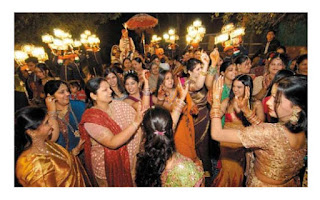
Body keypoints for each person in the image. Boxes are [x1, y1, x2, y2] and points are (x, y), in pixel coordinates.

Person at [210, 75, 307, 187]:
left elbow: (217, 134)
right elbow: (264, 131)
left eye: (276, 99)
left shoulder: (270, 132)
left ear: (297, 106)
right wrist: (246, 111)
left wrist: (216, 102)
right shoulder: (302, 130)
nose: (268, 102)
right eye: (271, 96)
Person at [135, 82, 204, 187]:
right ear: (170, 129)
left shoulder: (143, 151)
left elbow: (171, 123)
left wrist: (181, 99)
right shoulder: (185, 168)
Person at [79, 77, 144, 187]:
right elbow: (112, 143)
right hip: (105, 168)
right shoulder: (91, 119)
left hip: (127, 161)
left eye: (109, 88)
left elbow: (135, 109)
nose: (110, 91)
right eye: (105, 90)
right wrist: (135, 123)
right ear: (93, 95)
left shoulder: (118, 105)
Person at [15, 106, 91, 187]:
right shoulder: (37, 167)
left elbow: (60, 162)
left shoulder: (45, 143)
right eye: (46, 122)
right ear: (31, 132)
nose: (51, 124)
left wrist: (75, 151)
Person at [211, 74, 264, 187]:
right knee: (227, 169)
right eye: (234, 86)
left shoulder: (256, 104)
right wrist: (214, 103)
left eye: (239, 87)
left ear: (247, 87)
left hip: (244, 142)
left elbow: (261, 127)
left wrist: (247, 111)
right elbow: (217, 114)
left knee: (240, 171)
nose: (235, 89)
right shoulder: (227, 101)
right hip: (226, 142)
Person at [153, 70, 199, 163]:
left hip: (186, 124)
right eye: (167, 79)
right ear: (161, 81)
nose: (170, 81)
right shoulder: (160, 96)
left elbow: (192, 106)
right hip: (175, 126)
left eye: (171, 78)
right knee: (182, 151)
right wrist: (181, 97)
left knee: (191, 147)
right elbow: (169, 107)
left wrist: (192, 105)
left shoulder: (179, 90)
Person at [184, 53, 212, 185]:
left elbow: (207, 83)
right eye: (198, 69)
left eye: (201, 68)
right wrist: (206, 65)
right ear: (189, 71)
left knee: (204, 144)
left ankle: (206, 170)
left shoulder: (203, 79)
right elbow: (199, 86)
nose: (201, 71)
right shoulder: (187, 83)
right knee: (194, 143)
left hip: (204, 115)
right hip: (192, 117)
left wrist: (212, 65)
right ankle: (194, 170)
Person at [44, 80, 85, 155]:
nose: (68, 94)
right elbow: (51, 141)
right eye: (62, 92)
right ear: (50, 96)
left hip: (84, 152)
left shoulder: (80, 106)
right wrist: (52, 112)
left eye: (67, 90)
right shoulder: (45, 117)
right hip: (62, 159)